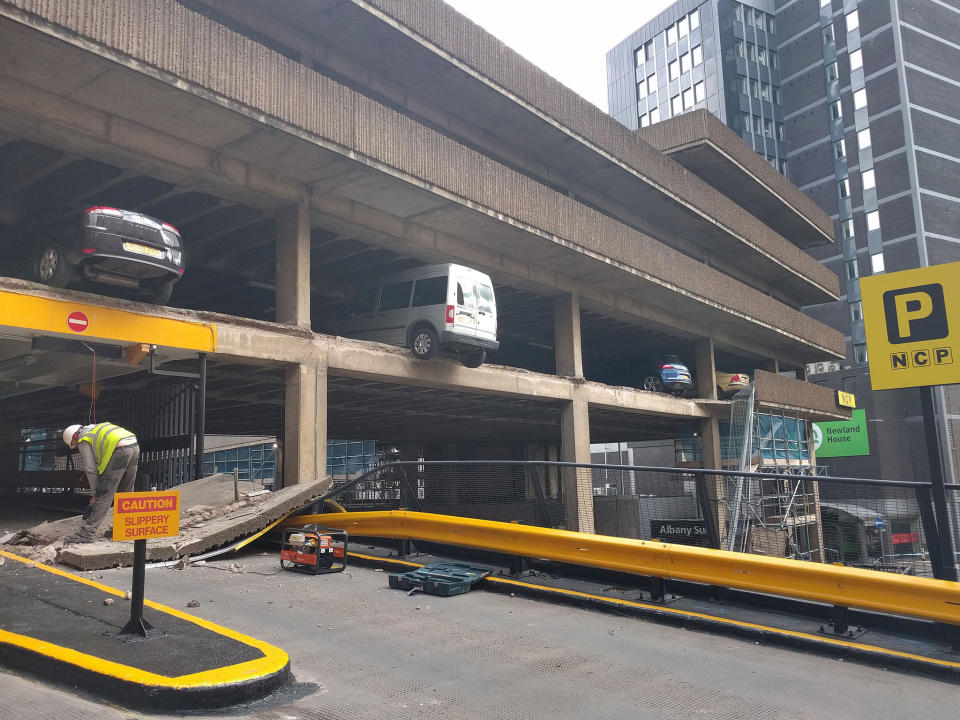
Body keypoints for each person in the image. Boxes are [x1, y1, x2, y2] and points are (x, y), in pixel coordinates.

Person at [62, 422, 140, 544]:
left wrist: (95, 493)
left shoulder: (83, 439)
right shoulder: (94, 430)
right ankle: (123, 530)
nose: (77, 447)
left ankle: (86, 534)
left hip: (119, 449)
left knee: (104, 495)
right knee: (126, 492)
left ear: (74, 438)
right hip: (134, 446)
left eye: (74, 444)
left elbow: (90, 469)